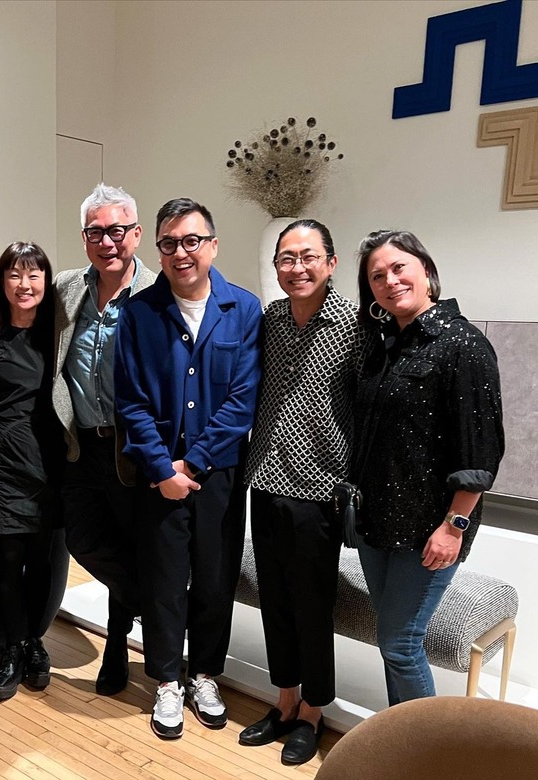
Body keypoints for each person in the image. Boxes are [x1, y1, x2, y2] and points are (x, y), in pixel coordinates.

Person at [114, 198, 262, 739]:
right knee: (164, 578)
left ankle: (204, 673)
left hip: (218, 471)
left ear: (212, 246)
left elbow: (243, 399)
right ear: (158, 249)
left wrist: (192, 463)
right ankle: (166, 681)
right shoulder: (138, 312)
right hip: (159, 473)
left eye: (191, 241)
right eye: (169, 243)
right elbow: (129, 400)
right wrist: (162, 468)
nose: (181, 252)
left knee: (216, 575)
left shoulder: (243, 309)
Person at [353, 229, 504, 706]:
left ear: (425, 270)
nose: (390, 281)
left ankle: (426, 756)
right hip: (377, 520)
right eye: (377, 276)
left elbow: (481, 451)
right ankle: (401, 742)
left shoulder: (464, 345)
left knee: (399, 644)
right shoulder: (383, 345)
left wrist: (454, 525)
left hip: (432, 528)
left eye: (399, 268)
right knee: (393, 641)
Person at [241, 219, 371, 764]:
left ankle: (316, 709)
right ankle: (286, 698)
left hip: (319, 487)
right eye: (286, 258)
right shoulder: (270, 319)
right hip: (264, 477)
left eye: (308, 256)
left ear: (332, 262)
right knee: (274, 597)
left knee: (312, 603)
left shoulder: (354, 324)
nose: (297, 267)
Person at [53, 183, 156, 695]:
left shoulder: (158, 294)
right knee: (85, 539)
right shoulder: (67, 287)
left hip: (133, 447)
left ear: (135, 234)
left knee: (128, 541)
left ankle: (117, 645)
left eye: (117, 230)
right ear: (84, 237)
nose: (107, 241)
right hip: (79, 444)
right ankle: (159, 611)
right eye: (96, 232)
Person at [0, 242, 65, 701]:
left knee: (44, 559)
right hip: (3, 457)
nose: (24, 284)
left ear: (46, 282)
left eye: (34, 275)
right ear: (2, 281)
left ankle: (34, 643)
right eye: (15, 274)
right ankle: (11, 650)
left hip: (51, 457)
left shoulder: (57, 331)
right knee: (10, 561)